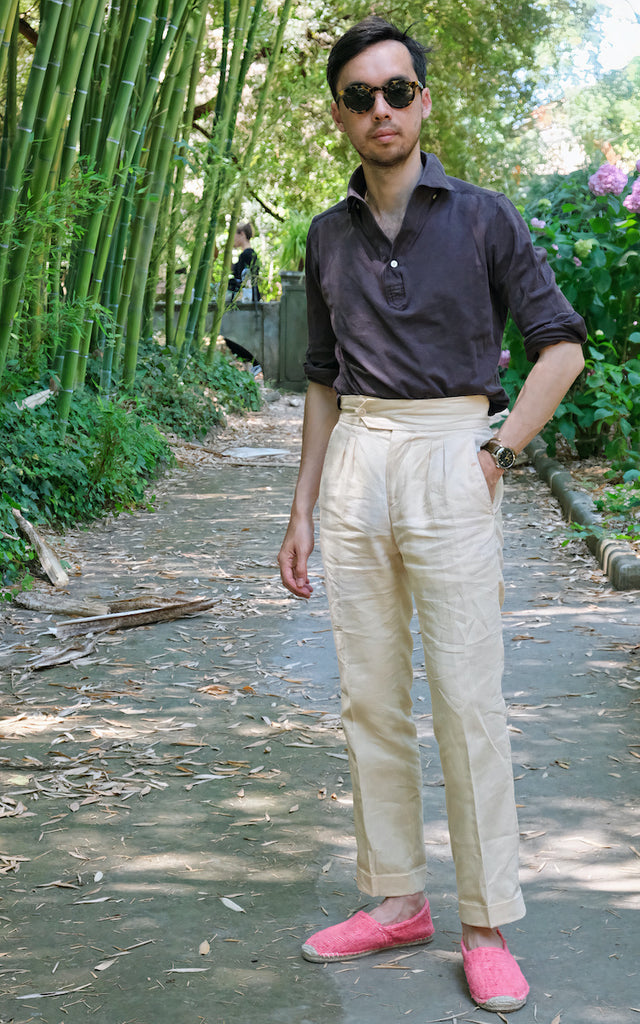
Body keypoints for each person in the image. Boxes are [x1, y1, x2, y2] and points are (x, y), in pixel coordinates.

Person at [277, 15, 586, 1015]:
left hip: (454, 451)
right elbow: (319, 382)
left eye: (396, 91)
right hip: (359, 457)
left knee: (464, 697)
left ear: (423, 101)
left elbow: (560, 347)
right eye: (360, 96)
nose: (381, 110)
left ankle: (485, 920)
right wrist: (301, 513)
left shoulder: (485, 217)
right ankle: (398, 896)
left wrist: (500, 451)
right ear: (338, 116)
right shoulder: (325, 234)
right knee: (369, 693)